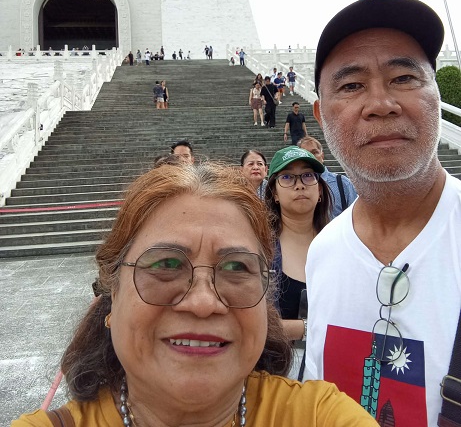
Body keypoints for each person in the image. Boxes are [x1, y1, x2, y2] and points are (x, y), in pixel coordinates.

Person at [12, 163, 377, 427]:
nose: (203, 303)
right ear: (112, 292)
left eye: (236, 268)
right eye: (166, 264)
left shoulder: (317, 415)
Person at [303, 0, 459, 427]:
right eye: (352, 86)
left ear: (436, 95)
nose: (381, 103)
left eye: (404, 78)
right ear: (321, 115)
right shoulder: (323, 253)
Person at [265, 146, 331, 377]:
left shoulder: (343, 243)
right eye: (287, 177)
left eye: (308, 175)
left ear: (320, 190)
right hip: (276, 373)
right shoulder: (260, 248)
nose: (299, 185)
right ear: (274, 193)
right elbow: (252, 322)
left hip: (333, 372)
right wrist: (307, 328)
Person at [297, 135, 357, 219]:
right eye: (305, 154)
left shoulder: (343, 184)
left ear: (322, 156)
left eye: (315, 152)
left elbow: (356, 217)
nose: (311, 157)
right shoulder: (296, 186)